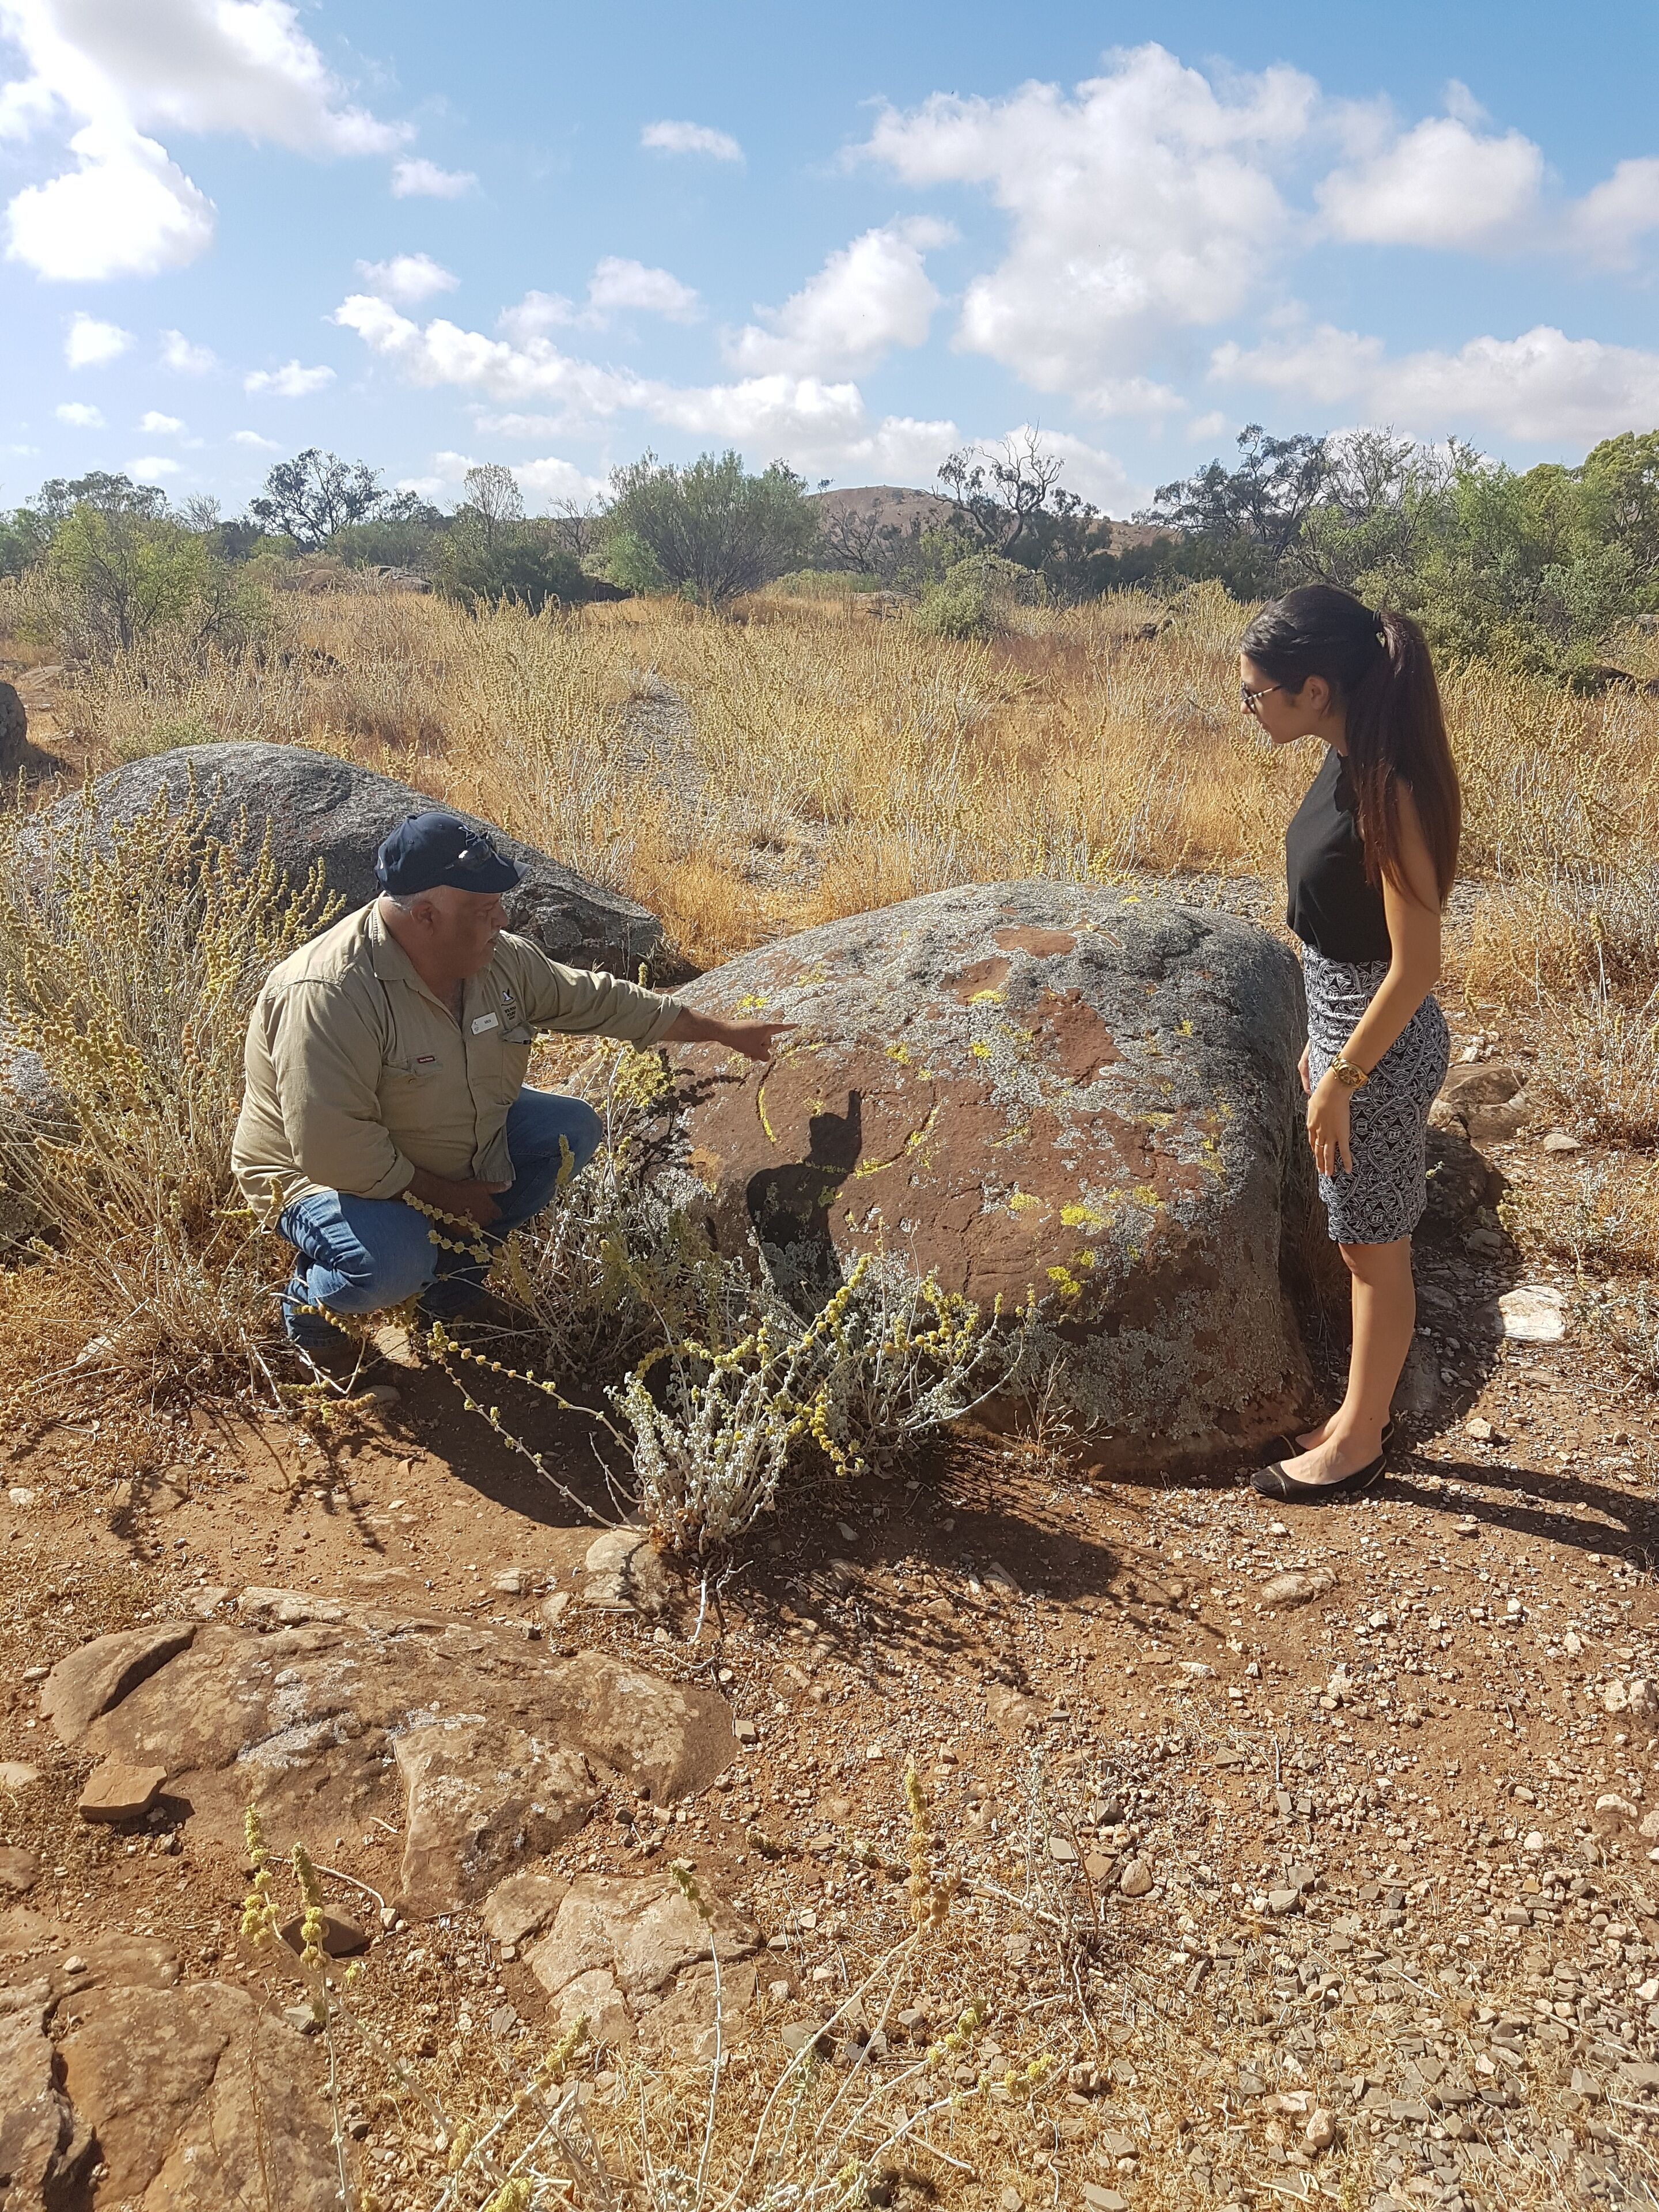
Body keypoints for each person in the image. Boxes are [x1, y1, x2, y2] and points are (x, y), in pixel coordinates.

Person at [232, 811, 788, 1349]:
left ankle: (446, 1296)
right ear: (425, 916)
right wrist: (447, 1198)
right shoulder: (329, 993)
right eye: (485, 907)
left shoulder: (499, 961)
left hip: (431, 1133)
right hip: (318, 1174)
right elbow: (334, 1149)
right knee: (391, 1262)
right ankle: (310, 1311)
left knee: (569, 1131)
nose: (501, 920)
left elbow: (599, 1001)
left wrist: (720, 1030)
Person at [1240, 585, 1461, 1503]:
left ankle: (1358, 1444)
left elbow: (1415, 967)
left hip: (1380, 1048)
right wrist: (1321, 1050)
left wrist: (1342, 1073)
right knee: (1362, 1245)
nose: (1249, 707)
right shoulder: (1343, 761)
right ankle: (1352, 1414)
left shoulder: (1389, 787)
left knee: (1377, 1251)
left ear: (1316, 688)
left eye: (1257, 691)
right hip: (1347, 1039)